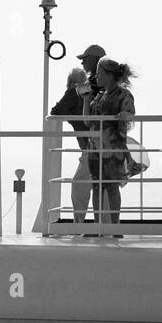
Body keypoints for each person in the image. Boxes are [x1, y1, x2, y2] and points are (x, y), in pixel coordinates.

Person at [50, 44, 107, 223]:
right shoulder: (107, 88)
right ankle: (106, 226)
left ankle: (80, 224)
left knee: (80, 186)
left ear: (94, 60)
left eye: (85, 59)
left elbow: (55, 112)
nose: (82, 62)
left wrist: (72, 115)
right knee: (104, 187)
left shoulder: (81, 90)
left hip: (92, 146)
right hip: (108, 143)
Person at [88, 57, 137, 230]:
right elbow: (88, 121)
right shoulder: (99, 95)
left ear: (109, 75)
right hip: (95, 147)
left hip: (113, 147)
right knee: (96, 186)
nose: (96, 76)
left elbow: (129, 114)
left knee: (112, 187)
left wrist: (124, 115)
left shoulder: (123, 94)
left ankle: (115, 227)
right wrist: (87, 98)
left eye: (99, 72)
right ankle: (96, 226)